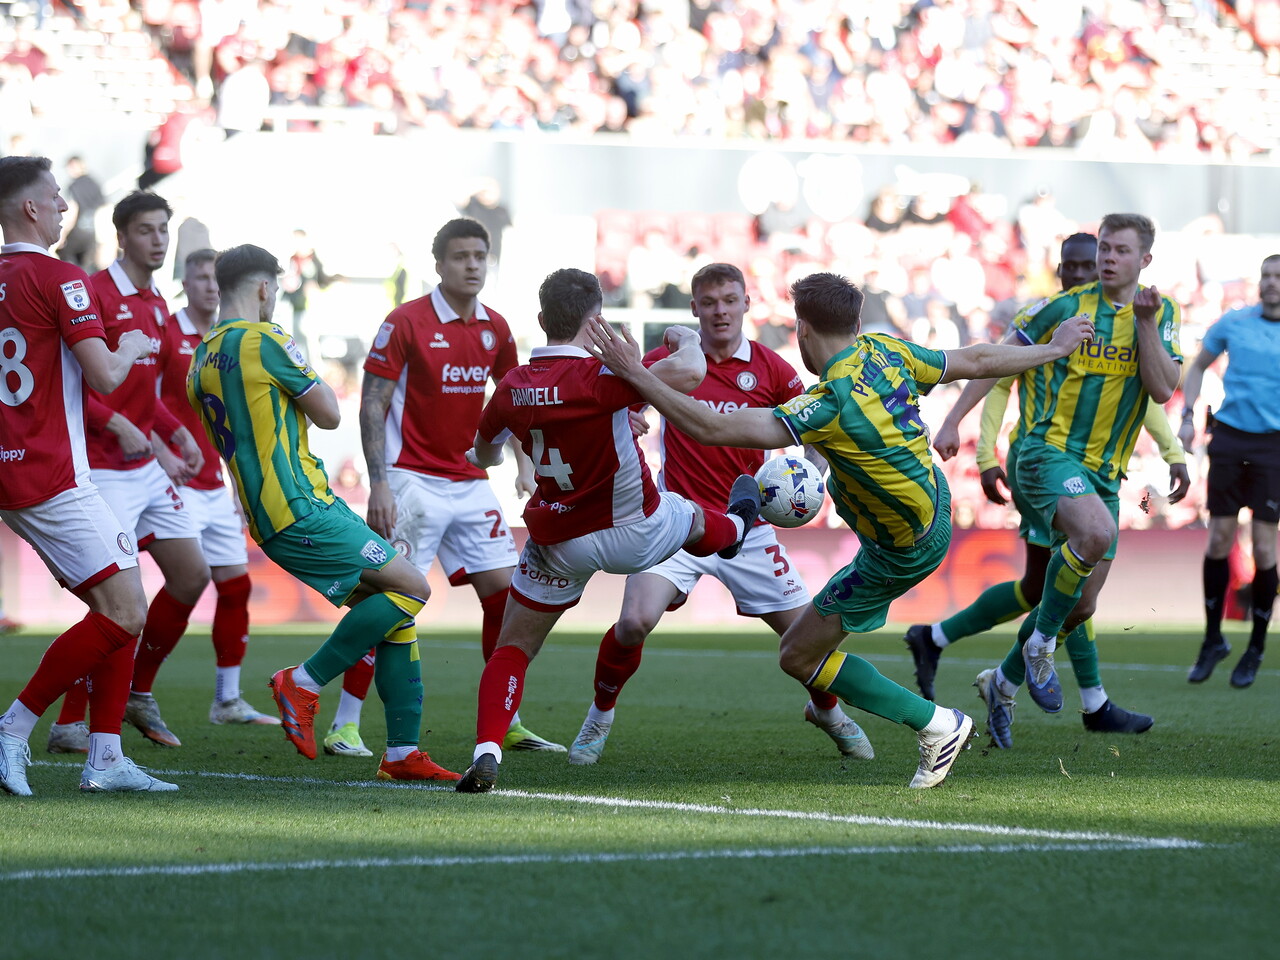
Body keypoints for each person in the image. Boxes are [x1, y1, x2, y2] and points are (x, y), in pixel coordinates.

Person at [584, 271, 1096, 790]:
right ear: (856, 321)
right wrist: (1052, 350)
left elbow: (711, 428)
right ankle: (876, 718)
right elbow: (979, 359)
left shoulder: (829, 403)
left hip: (900, 549)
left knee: (798, 654)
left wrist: (635, 373)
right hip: (929, 508)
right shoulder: (887, 351)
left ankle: (938, 725)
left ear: (802, 330)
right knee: (802, 646)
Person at [454, 267, 766, 793]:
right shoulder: (601, 378)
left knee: (513, 649)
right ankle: (737, 527)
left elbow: (483, 454)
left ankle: (487, 750)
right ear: (597, 320)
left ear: (540, 320)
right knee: (690, 514)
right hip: (634, 529)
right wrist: (683, 335)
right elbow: (691, 371)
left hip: (559, 540)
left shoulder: (512, 386)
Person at [567, 262, 874, 766]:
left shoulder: (773, 370)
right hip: (677, 522)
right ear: (693, 309)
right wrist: (630, 415)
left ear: (746, 304)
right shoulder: (670, 360)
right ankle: (598, 717)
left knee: (805, 641)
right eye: (708, 303)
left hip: (748, 529)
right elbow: (616, 401)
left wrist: (812, 477)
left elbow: (819, 430)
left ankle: (829, 712)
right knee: (633, 622)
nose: (720, 311)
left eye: (729, 300)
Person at [902, 233, 1189, 741]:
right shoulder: (1054, 316)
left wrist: (1172, 452)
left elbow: (1152, 393)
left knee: (1065, 598)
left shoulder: (1153, 315)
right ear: (1062, 269)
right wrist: (978, 446)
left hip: (1103, 471)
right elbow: (995, 371)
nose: (1089, 269)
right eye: (1081, 262)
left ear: (1141, 261)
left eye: (1102, 257)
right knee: (1078, 555)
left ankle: (994, 675)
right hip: (1045, 460)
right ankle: (1085, 693)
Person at [188, 243, 458, 782]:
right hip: (300, 505)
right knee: (412, 588)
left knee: (393, 610)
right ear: (265, 289)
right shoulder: (263, 339)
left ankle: (403, 751)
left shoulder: (201, 357)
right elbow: (331, 414)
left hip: (270, 511)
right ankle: (303, 683)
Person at [351, 217, 561, 759]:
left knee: (507, 596)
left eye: (479, 256)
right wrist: (379, 483)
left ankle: (505, 719)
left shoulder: (496, 327)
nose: (472, 265)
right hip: (412, 479)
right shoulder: (404, 323)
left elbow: (515, 402)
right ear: (439, 264)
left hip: (469, 480)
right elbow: (372, 403)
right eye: (461, 256)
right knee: (392, 598)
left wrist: (522, 464)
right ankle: (345, 723)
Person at [0, 155, 177, 795]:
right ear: (29, 208)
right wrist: (128, 345)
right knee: (127, 608)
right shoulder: (62, 278)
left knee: (120, 600)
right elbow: (104, 374)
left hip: (12, 470)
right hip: (54, 472)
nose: (63, 207)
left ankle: (104, 757)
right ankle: (15, 726)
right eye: (55, 197)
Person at [48, 191, 211, 754]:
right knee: (116, 601)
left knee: (191, 576)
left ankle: (139, 690)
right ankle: (72, 722)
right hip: (103, 469)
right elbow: (74, 385)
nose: (159, 239)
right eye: (146, 230)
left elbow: (150, 391)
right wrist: (121, 427)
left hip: (146, 466)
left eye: (164, 228)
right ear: (122, 237)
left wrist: (175, 430)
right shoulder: (91, 291)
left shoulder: (157, 303)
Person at [157, 247, 279, 725]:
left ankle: (227, 700)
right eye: (199, 276)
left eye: (214, 277)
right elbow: (141, 397)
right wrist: (162, 449)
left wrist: (236, 481)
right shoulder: (168, 330)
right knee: (185, 581)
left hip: (216, 482)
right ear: (185, 282)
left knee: (236, 585)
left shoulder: (235, 337)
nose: (209, 285)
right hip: (172, 479)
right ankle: (135, 690)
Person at [1180, 254, 1280, 689]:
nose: (1272, 283)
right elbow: (1198, 363)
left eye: (1279, 277)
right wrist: (1187, 414)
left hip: (1274, 445)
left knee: (1264, 548)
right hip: (1230, 437)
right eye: (1267, 276)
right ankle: (1212, 639)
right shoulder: (1235, 322)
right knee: (1219, 538)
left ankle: (1256, 646)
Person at [56, 155, 103, 271]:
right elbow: (103, 208)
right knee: (89, 268)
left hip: (76, 234)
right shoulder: (94, 182)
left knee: (65, 258)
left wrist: (62, 235)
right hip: (93, 233)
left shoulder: (74, 186)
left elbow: (72, 211)